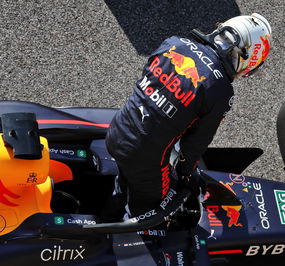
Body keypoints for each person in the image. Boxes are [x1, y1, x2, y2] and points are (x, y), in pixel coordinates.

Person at [103, 13, 272, 221]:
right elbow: (193, 147)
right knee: (151, 208)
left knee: (124, 181)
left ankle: (110, 209)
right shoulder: (220, 90)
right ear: (245, 58)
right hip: (144, 159)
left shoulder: (173, 43)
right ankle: (125, 238)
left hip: (117, 131)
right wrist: (186, 176)